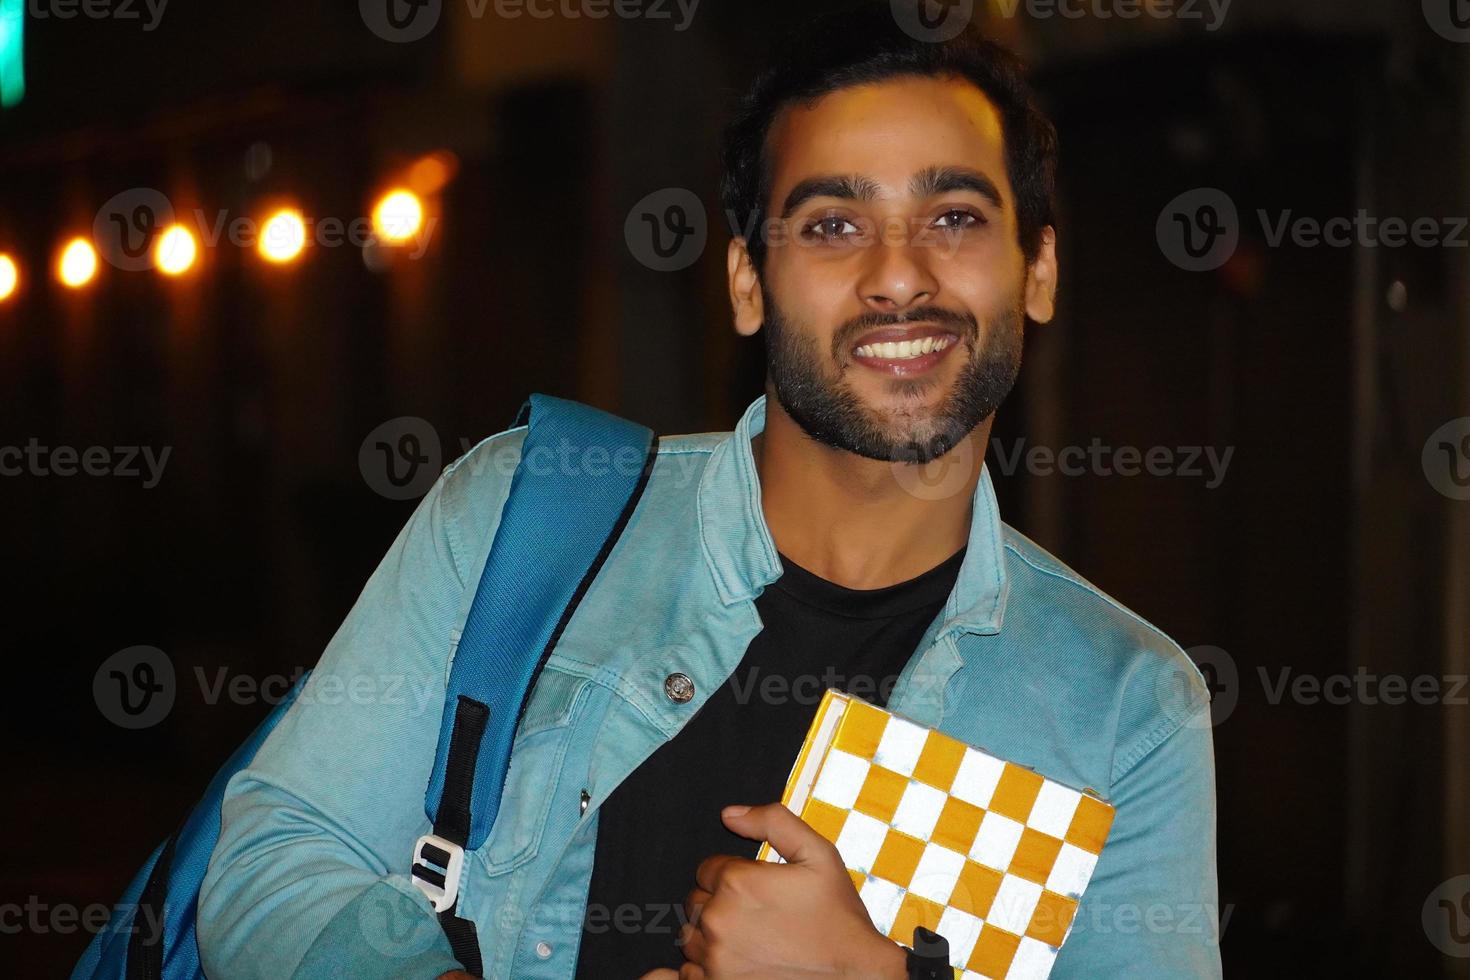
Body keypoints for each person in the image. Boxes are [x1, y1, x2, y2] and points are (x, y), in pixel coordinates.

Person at [198, 4, 1220, 978]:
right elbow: (272, 863)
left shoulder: (1123, 703)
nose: (899, 275)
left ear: (1038, 268)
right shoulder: (528, 515)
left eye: (954, 215)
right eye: (831, 224)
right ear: (746, 281)